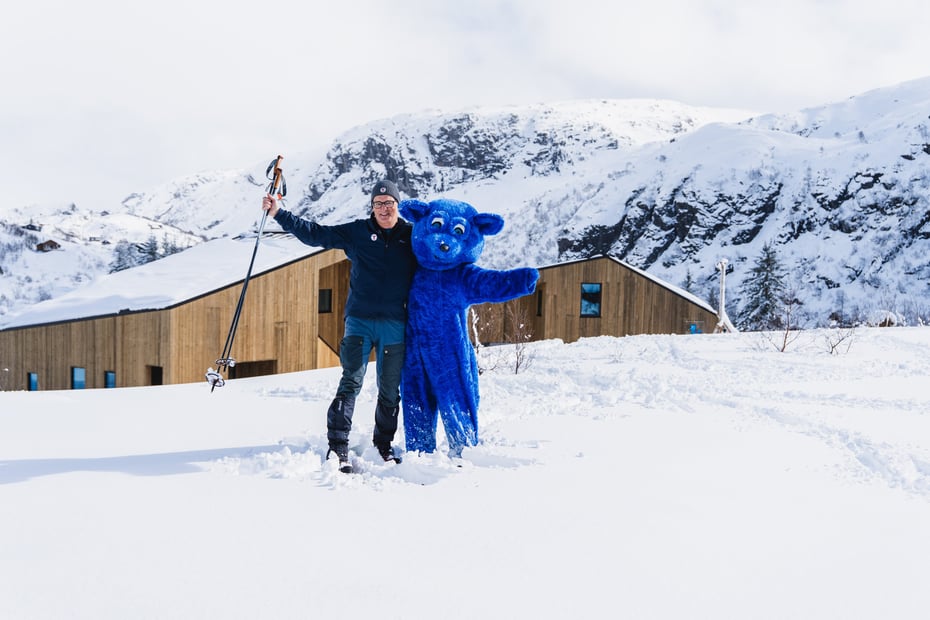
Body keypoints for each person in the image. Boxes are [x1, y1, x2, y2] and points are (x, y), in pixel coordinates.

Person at [261, 179, 416, 473]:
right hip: (359, 321)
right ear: (372, 207)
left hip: (395, 324)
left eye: (389, 203)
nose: (384, 209)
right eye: (378, 204)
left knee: (390, 388)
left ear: (398, 205)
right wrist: (280, 214)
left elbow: (436, 258)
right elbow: (316, 234)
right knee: (351, 381)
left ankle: (383, 445)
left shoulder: (411, 236)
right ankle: (338, 446)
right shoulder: (358, 232)